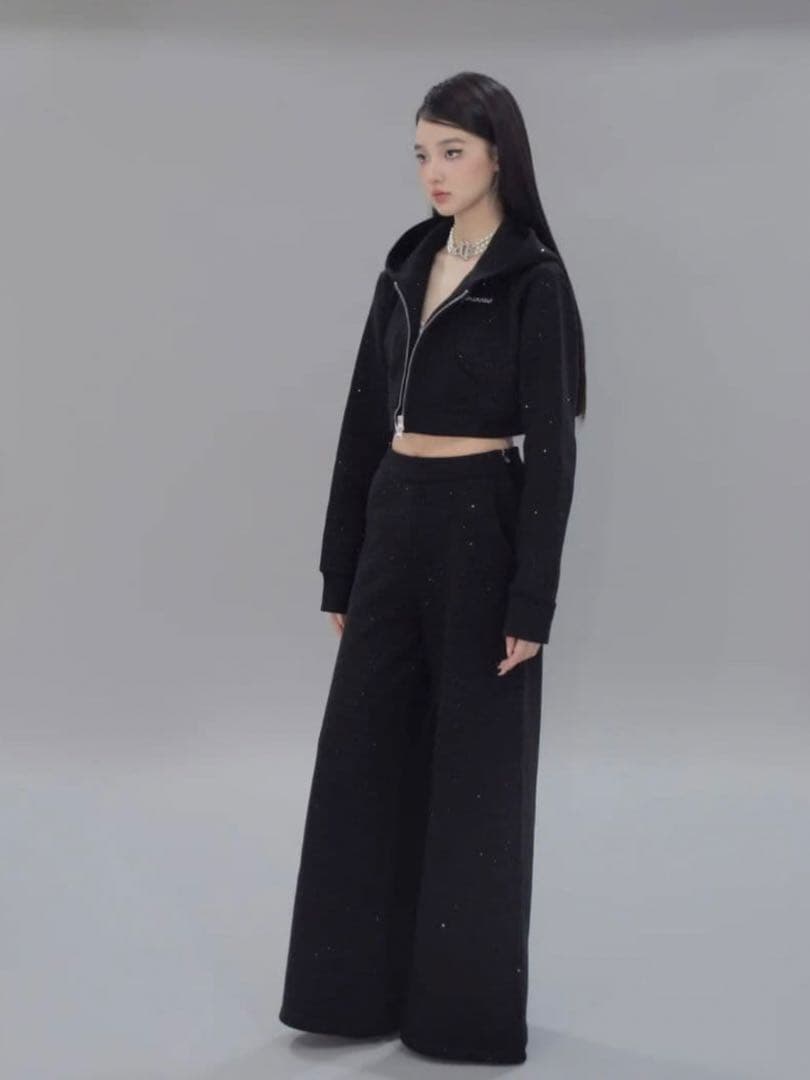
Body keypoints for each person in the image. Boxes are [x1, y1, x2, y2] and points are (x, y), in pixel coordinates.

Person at [279, 70, 587, 1066]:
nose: (434, 172)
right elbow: (364, 421)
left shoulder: (532, 280)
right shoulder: (408, 264)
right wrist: (340, 567)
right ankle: (349, 996)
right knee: (363, 756)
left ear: (500, 154)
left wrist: (532, 597)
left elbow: (555, 452)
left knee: (476, 777)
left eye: (452, 150)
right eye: (422, 153)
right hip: (396, 515)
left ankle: (460, 1017)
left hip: (480, 522)